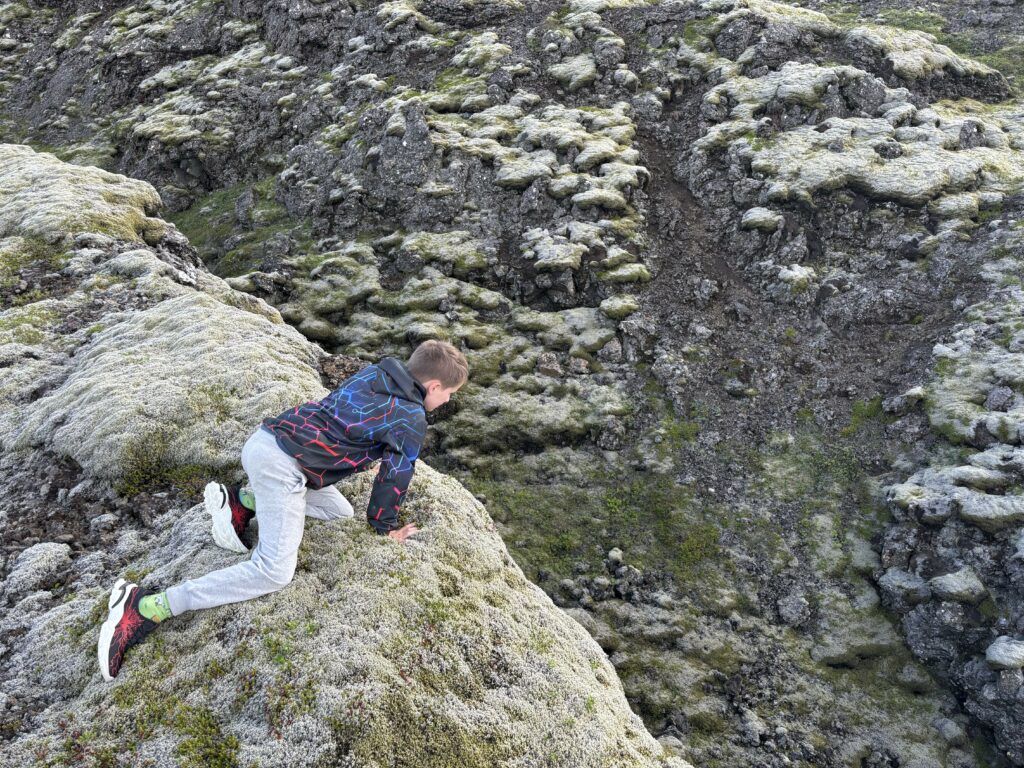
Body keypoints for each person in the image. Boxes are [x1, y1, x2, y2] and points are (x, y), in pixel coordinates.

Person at [97, 340, 469, 680]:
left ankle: (241, 503)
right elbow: (396, 477)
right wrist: (384, 527)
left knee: (339, 512)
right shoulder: (411, 416)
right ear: (433, 386)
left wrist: (370, 453)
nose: (448, 401)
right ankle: (147, 607)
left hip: (267, 441)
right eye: (450, 393)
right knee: (273, 572)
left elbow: (349, 422)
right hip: (283, 469)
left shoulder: (379, 373)